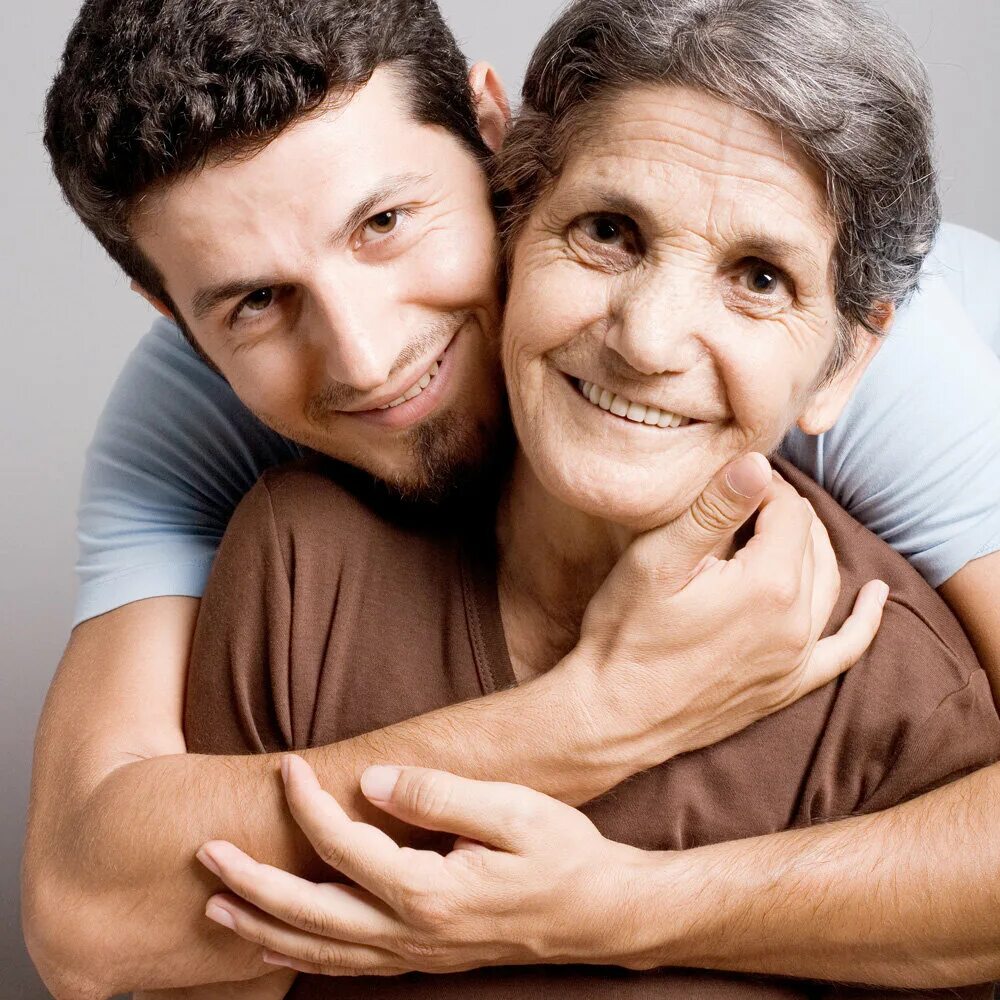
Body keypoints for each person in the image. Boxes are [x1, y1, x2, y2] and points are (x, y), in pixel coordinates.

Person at [24, 0, 1000, 995]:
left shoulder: (890, 369)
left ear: (494, 144)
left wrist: (629, 908)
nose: (367, 359)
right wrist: (593, 717)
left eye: (385, 224)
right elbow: (84, 916)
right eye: (258, 302)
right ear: (174, 312)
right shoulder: (219, 454)